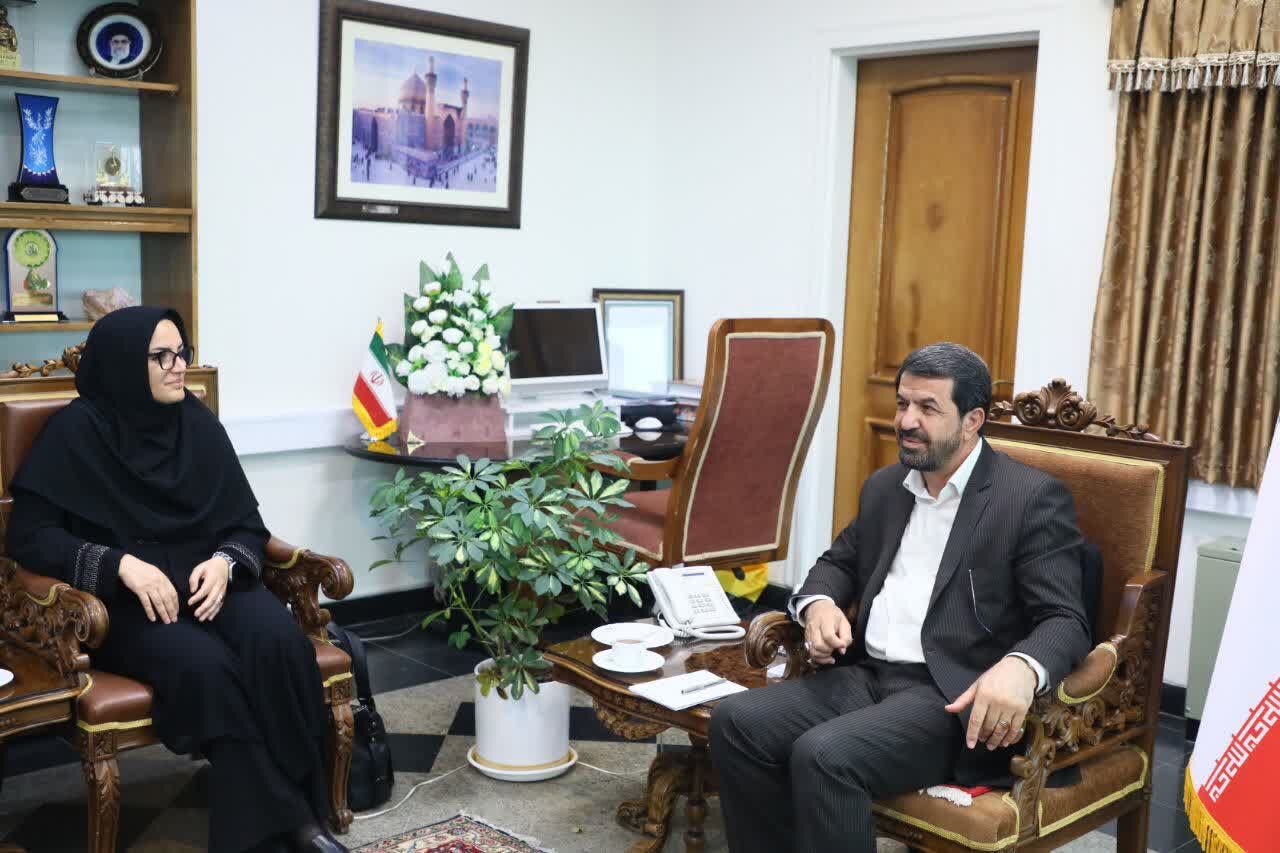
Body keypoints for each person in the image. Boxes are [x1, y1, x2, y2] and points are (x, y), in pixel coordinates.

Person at [708, 342, 1092, 853]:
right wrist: (820, 605)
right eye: (903, 404)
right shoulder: (887, 487)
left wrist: (1020, 667)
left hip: (951, 696)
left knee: (825, 754)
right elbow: (837, 564)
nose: (907, 421)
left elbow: (1065, 619)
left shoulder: (1027, 498)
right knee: (736, 722)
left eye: (928, 408)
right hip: (867, 675)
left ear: (973, 420)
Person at [6, 307, 346, 853]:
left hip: (210, 583)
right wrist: (118, 563)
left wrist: (226, 562)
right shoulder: (76, 432)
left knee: (279, 643)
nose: (178, 366)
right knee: (205, 668)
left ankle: (304, 804)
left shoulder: (196, 422)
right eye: (160, 356)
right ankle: (293, 826)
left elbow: (246, 524)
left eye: (181, 352)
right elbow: (30, 537)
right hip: (126, 605)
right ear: (123, 363)